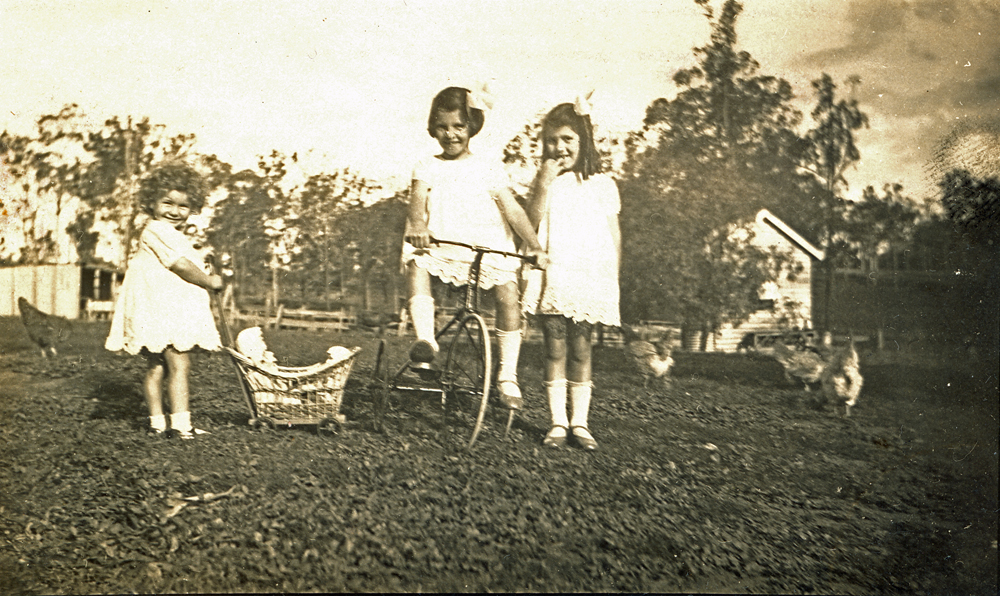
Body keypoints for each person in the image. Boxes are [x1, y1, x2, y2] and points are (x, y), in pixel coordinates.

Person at [402, 85, 547, 410]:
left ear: (472, 127)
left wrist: (534, 245)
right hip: (442, 241)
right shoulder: (427, 166)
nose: (450, 134)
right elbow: (416, 204)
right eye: (443, 127)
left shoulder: (489, 166)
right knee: (417, 262)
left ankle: (507, 376)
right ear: (433, 128)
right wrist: (419, 227)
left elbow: (512, 210)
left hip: (487, 244)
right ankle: (425, 341)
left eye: (459, 126)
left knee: (508, 293)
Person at [523, 96, 621, 451]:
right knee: (554, 347)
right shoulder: (545, 181)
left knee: (581, 349)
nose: (559, 148)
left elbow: (614, 237)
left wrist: (612, 281)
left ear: (583, 141)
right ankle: (557, 423)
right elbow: (529, 225)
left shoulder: (603, 184)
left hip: (588, 275)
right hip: (554, 273)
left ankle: (580, 422)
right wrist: (543, 183)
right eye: (552, 141)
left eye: (567, 140)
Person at [105, 163, 223, 439]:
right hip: (163, 310)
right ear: (151, 202)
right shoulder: (157, 230)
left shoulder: (169, 233)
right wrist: (208, 281)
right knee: (180, 365)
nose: (174, 211)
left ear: (193, 208)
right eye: (167, 203)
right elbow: (179, 265)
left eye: (183, 206)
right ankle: (181, 426)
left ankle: (157, 423)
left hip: (155, 308)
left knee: (157, 366)